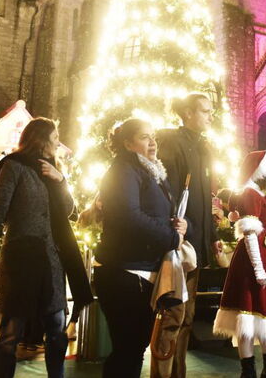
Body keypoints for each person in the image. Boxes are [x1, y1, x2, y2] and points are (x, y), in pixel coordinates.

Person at [0, 118, 89, 378]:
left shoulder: (54, 169)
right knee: (10, 334)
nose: (57, 142)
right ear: (40, 139)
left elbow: (69, 211)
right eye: (54, 137)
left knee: (56, 329)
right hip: (20, 257)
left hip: (51, 258)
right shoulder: (14, 166)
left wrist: (60, 181)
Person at [95, 118, 184, 378]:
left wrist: (178, 225)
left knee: (133, 349)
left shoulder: (150, 171)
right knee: (127, 349)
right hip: (123, 272)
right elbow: (129, 215)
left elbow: (156, 211)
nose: (153, 142)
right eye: (145, 137)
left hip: (141, 270)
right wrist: (170, 237)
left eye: (153, 135)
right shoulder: (123, 169)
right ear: (127, 143)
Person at [214, 150, 266, 378]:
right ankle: (248, 371)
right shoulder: (249, 194)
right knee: (247, 318)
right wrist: (258, 268)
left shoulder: (263, 195)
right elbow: (250, 235)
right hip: (251, 262)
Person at [154, 92, 217, 378]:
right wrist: (184, 226)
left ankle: (178, 372)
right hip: (179, 241)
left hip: (196, 243)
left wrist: (211, 234)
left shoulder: (203, 146)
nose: (210, 115)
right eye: (205, 110)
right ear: (188, 113)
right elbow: (170, 191)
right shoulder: (173, 142)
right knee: (172, 316)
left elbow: (205, 197)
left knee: (188, 317)